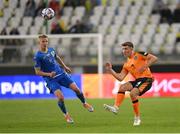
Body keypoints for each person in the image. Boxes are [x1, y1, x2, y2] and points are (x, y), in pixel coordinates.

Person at [33, 34, 94, 124]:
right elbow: (37, 72)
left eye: (46, 41)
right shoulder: (38, 56)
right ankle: (66, 115)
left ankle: (84, 103)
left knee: (77, 89)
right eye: (43, 41)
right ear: (39, 42)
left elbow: (57, 58)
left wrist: (65, 67)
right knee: (61, 97)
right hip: (51, 79)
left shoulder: (51, 50)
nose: (45, 43)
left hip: (61, 74)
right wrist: (49, 74)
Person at [103, 42, 158, 126]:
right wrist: (110, 70)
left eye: (126, 49)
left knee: (133, 93)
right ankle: (115, 107)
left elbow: (154, 58)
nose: (124, 51)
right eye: (123, 49)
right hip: (138, 80)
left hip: (147, 79)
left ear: (131, 49)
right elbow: (120, 78)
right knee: (122, 87)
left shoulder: (139, 54)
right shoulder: (126, 64)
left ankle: (137, 118)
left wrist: (145, 66)